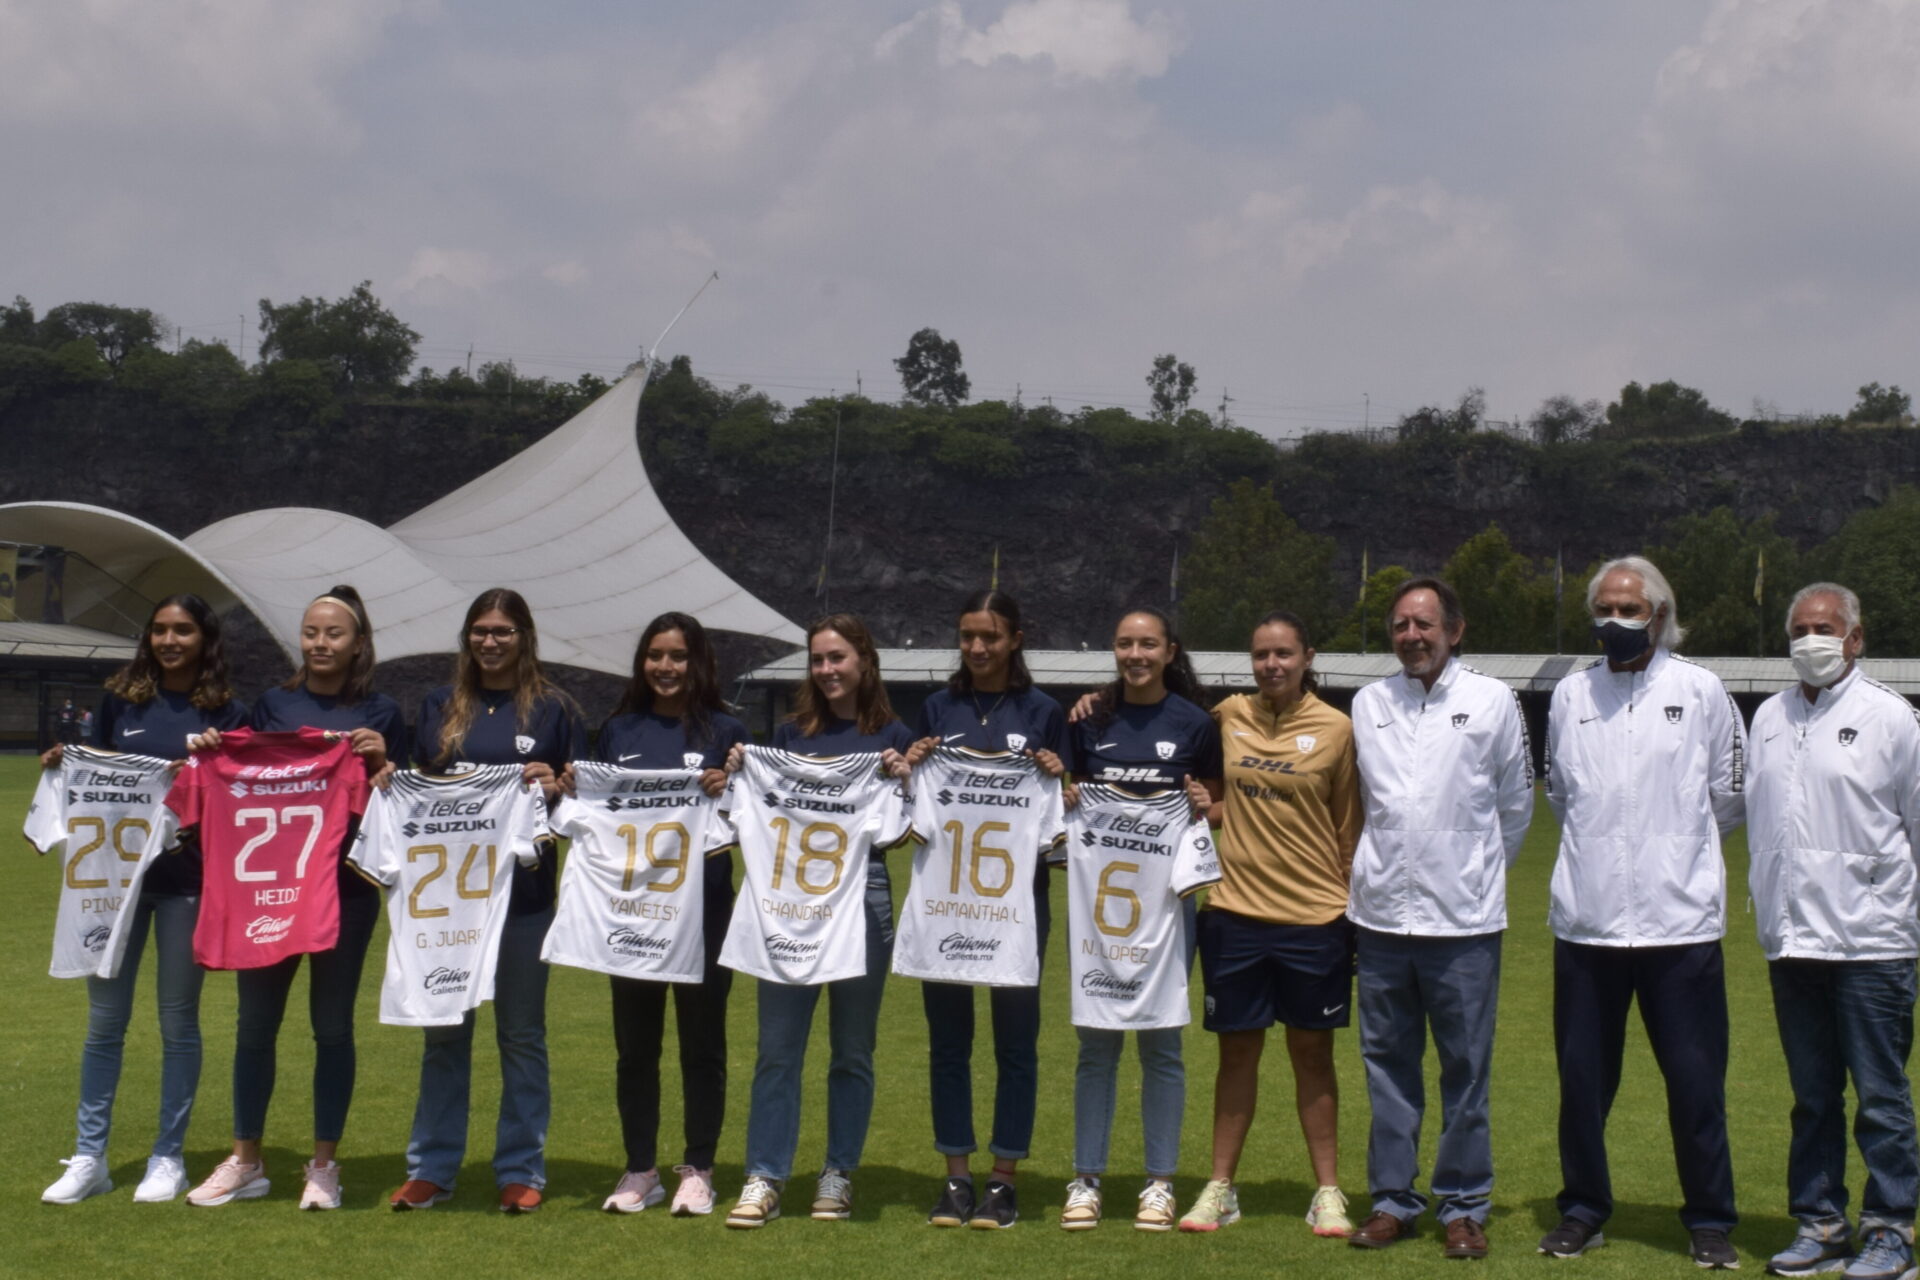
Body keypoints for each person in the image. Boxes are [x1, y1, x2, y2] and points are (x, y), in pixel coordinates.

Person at [1538, 556, 1745, 1269]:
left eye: (1630, 609)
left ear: (1659, 614)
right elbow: (1563, 794)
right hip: (1588, 924)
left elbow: (1725, 797)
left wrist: (1670, 859)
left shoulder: (1702, 690)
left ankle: (1711, 1218)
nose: (1615, 621)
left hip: (1679, 925)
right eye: (1605, 608)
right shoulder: (1570, 695)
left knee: (1696, 1084)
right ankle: (1583, 1210)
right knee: (1583, 1085)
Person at [186, 585, 403, 1210]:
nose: (321, 643)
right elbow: (238, 776)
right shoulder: (271, 706)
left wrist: (385, 762)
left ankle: (324, 1165)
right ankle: (247, 1160)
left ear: (358, 642)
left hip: (344, 891)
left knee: (332, 1029)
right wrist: (210, 751)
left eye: (334, 633)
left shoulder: (382, 711)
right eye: (311, 632)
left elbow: (399, 798)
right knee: (255, 1027)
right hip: (268, 893)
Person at [1340, 579, 1532, 1258]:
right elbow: (1360, 805)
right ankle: (1393, 1201)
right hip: (1383, 920)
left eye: (1423, 624)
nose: (1411, 636)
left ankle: (1462, 1207)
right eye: (1399, 626)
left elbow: (1515, 806)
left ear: (1454, 628)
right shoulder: (1368, 704)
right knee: (1387, 1068)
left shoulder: (1492, 700)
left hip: (1465, 927)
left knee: (1466, 1071)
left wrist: (1473, 876)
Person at [38, 595, 247, 1206]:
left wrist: (214, 761)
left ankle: (167, 1156)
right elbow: (96, 773)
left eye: (182, 630)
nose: (169, 640)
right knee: (104, 1025)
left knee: (178, 1023)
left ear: (205, 639)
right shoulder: (120, 703)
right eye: (159, 629)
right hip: (109, 888)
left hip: (186, 882)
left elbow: (239, 801)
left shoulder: (230, 714)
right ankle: (90, 1157)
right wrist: (63, 763)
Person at [1170, 610, 1362, 1238]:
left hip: (1315, 919)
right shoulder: (1227, 717)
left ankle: (1328, 1192)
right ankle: (1221, 1188)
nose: (1271, 665)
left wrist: (1349, 914)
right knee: (1237, 1054)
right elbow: (1227, 802)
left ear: (1308, 656)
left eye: (1283, 653)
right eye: (1260, 655)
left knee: (1313, 1055)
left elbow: (1346, 829)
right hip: (1234, 915)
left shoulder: (1338, 729)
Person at [1747, 583, 1920, 1280]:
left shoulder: (1892, 717)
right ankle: (1820, 1223)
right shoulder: (1767, 716)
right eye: (1800, 628)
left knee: (1881, 1096)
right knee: (1813, 1098)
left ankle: (1891, 1229)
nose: (1810, 640)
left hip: (1873, 940)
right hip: (1793, 940)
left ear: (1855, 638)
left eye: (1825, 627)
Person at [390, 589, 582, 1214]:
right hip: (448, 904)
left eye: (502, 631)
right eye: (479, 630)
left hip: (524, 899)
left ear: (524, 637)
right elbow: (418, 794)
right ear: (467, 637)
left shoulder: (553, 710)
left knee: (522, 1035)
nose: (490, 641)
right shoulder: (441, 706)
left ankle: (521, 1168)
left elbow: (583, 804)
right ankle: (432, 1168)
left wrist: (556, 788)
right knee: (444, 1033)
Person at [723, 613, 914, 1229]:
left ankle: (838, 1172)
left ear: (864, 661)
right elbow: (738, 813)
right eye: (818, 659)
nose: (827, 670)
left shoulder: (891, 736)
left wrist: (905, 780)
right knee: (778, 1050)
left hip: (864, 899)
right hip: (786, 904)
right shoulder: (783, 737)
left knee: (852, 1051)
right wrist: (733, 772)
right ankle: (765, 1174)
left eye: (837, 658)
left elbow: (903, 833)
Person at [905, 590, 1069, 1230]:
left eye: (990, 637)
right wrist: (910, 769)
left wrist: (1058, 770)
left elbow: (1066, 806)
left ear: (1015, 639)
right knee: (948, 1044)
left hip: (1018, 906)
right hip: (945, 901)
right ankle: (955, 1178)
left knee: (1015, 1045)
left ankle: (1003, 1179)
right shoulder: (936, 707)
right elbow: (909, 806)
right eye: (967, 636)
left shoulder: (1045, 711)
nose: (977, 648)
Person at [1061, 607, 1222, 1232]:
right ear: (1114, 649)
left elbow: (1214, 806)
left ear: (1169, 651)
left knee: (1163, 1046)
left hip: (1168, 911)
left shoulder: (1195, 724)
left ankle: (1159, 1182)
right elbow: (1064, 803)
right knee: (1095, 1046)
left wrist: (1209, 804)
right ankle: (1087, 1178)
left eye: (1147, 644)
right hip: (1099, 916)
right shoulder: (1088, 720)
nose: (1136, 654)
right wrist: (1070, 796)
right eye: (1125, 643)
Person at [579, 612, 745, 1217]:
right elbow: (595, 815)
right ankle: (640, 1168)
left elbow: (748, 817)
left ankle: (699, 1169)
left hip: (703, 912)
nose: (666, 667)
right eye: (655, 655)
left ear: (698, 662)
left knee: (703, 1047)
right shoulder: (619, 730)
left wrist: (729, 784)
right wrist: (578, 785)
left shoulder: (727, 729)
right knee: (635, 1048)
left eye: (678, 656)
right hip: (634, 914)